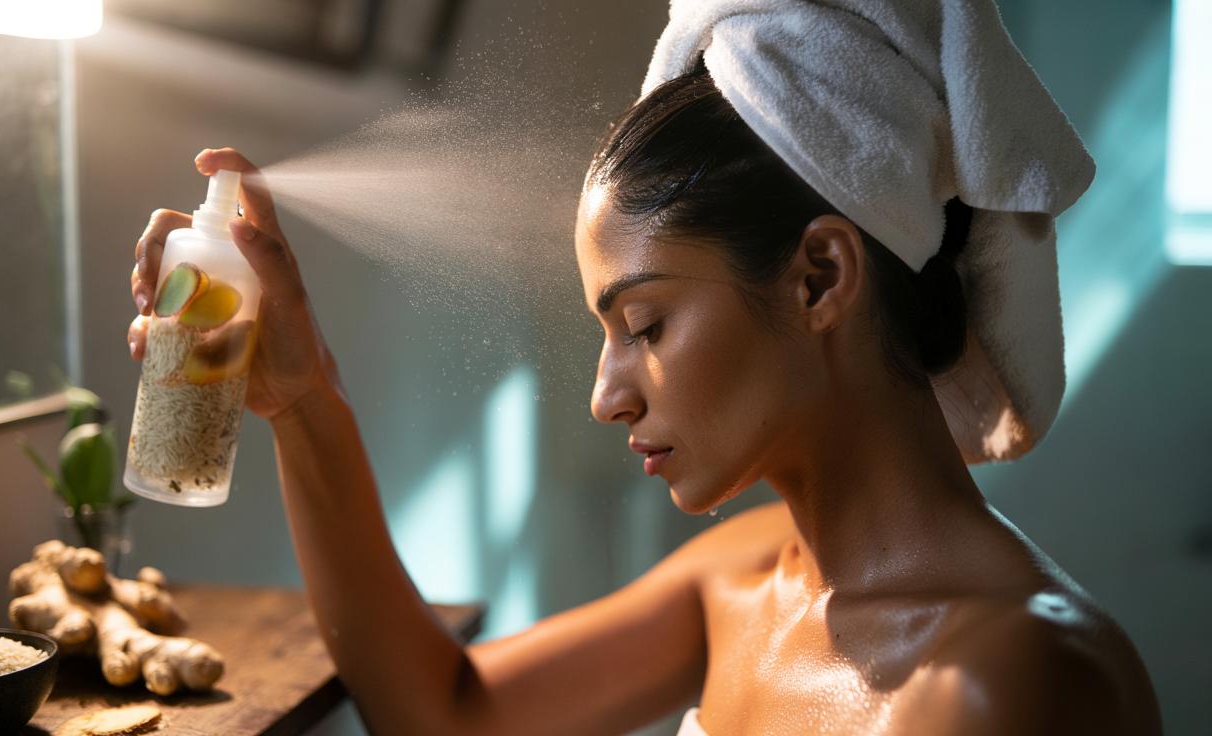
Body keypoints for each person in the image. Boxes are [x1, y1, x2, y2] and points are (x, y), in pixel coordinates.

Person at [127, 12, 1162, 736]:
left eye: (645, 323)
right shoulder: (750, 576)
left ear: (818, 276)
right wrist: (304, 401)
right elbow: (444, 713)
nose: (607, 392)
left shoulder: (1007, 685)